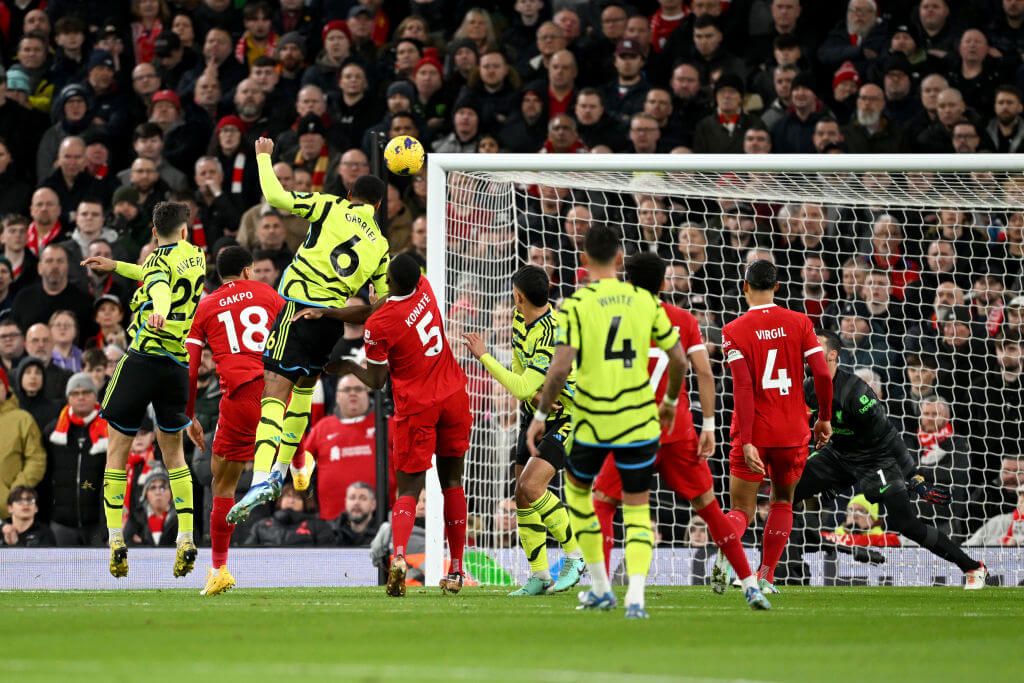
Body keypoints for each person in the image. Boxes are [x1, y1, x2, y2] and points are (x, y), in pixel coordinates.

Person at [589, 252, 770, 610]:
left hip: (631, 432)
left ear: (627, 282)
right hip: (678, 433)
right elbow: (703, 372)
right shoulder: (683, 319)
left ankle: (601, 589)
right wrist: (709, 426)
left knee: (603, 504)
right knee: (709, 508)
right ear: (662, 283)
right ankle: (751, 585)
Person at [525, 225, 684, 619]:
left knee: (582, 499)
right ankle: (636, 597)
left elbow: (559, 369)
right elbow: (679, 359)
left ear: (583, 260)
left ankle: (599, 587)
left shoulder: (576, 304)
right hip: (638, 422)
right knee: (637, 508)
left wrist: (541, 415)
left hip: (592, 422)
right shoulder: (644, 300)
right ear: (619, 259)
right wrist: (668, 401)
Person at [227, 137, 388, 525]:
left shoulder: (331, 205)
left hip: (298, 310)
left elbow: (275, 197)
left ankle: (261, 478)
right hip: (330, 323)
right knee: (301, 394)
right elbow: (382, 305)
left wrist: (263, 157)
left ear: (349, 195)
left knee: (273, 396)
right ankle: (282, 470)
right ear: (379, 206)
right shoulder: (381, 246)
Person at [320, 253, 471, 597]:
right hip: (453, 395)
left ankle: (399, 556)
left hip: (417, 407)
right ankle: (456, 569)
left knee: (408, 490)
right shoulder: (425, 287)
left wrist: (348, 366)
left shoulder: (380, 324)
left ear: (389, 281)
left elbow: (376, 380)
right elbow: (386, 305)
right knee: (452, 483)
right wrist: (337, 312)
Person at [798, 330, 988, 587]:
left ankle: (973, 567)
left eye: (816, 346)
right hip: (838, 455)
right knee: (785, 492)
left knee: (906, 524)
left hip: (876, 459)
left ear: (832, 355)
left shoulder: (856, 392)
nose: (809, 351)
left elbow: (889, 436)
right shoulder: (808, 388)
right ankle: (772, 570)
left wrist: (914, 476)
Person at [81, 201, 205, 579]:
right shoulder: (196, 256)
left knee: (116, 453)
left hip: (142, 362)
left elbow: (159, 284)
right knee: (175, 456)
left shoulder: (156, 263)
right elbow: (154, 273)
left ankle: (115, 538)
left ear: (153, 232)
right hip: (176, 367)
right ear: (184, 230)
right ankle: (186, 536)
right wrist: (116, 265)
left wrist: (160, 310)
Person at [463, 264, 586, 596]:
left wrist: (484, 356)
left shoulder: (551, 333)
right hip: (535, 414)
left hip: (567, 415)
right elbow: (521, 372)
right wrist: (534, 396)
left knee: (532, 487)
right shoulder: (520, 320)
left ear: (518, 296)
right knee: (521, 494)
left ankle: (575, 556)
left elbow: (517, 385)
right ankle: (540, 575)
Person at [712, 259, 833, 596]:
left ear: (745, 287)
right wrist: (823, 417)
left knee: (741, 510)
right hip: (792, 432)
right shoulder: (800, 322)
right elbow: (822, 374)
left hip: (754, 433)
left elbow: (743, 387)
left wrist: (748, 440)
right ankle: (766, 576)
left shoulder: (733, 330)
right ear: (777, 286)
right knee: (782, 501)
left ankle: (727, 548)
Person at [183, 245, 284, 596]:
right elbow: (292, 335)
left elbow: (191, 367)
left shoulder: (207, 305)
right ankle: (294, 464)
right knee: (285, 434)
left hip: (239, 397)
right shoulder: (268, 294)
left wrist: (189, 415)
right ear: (246, 271)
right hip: (274, 388)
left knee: (222, 484)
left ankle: (219, 569)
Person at [298, 374, 389, 521]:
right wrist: (308, 496)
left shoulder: (385, 424)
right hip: (331, 521)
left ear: (367, 393)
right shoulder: (323, 427)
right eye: (346, 390)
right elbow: (301, 465)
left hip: (380, 519)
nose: (352, 393)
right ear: (337, 396)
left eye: (358, 389)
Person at [0, 365, 46, 507]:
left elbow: (36, 459)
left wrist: (17, 490)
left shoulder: (23, 419)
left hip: (13, 508)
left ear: (6, 388)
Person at [334, 481, 380, 547]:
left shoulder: (382, 533)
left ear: (373, 504)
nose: (356, 503)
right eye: (352, 498)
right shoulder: (334, 532)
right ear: (345, 502)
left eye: (363, 498)